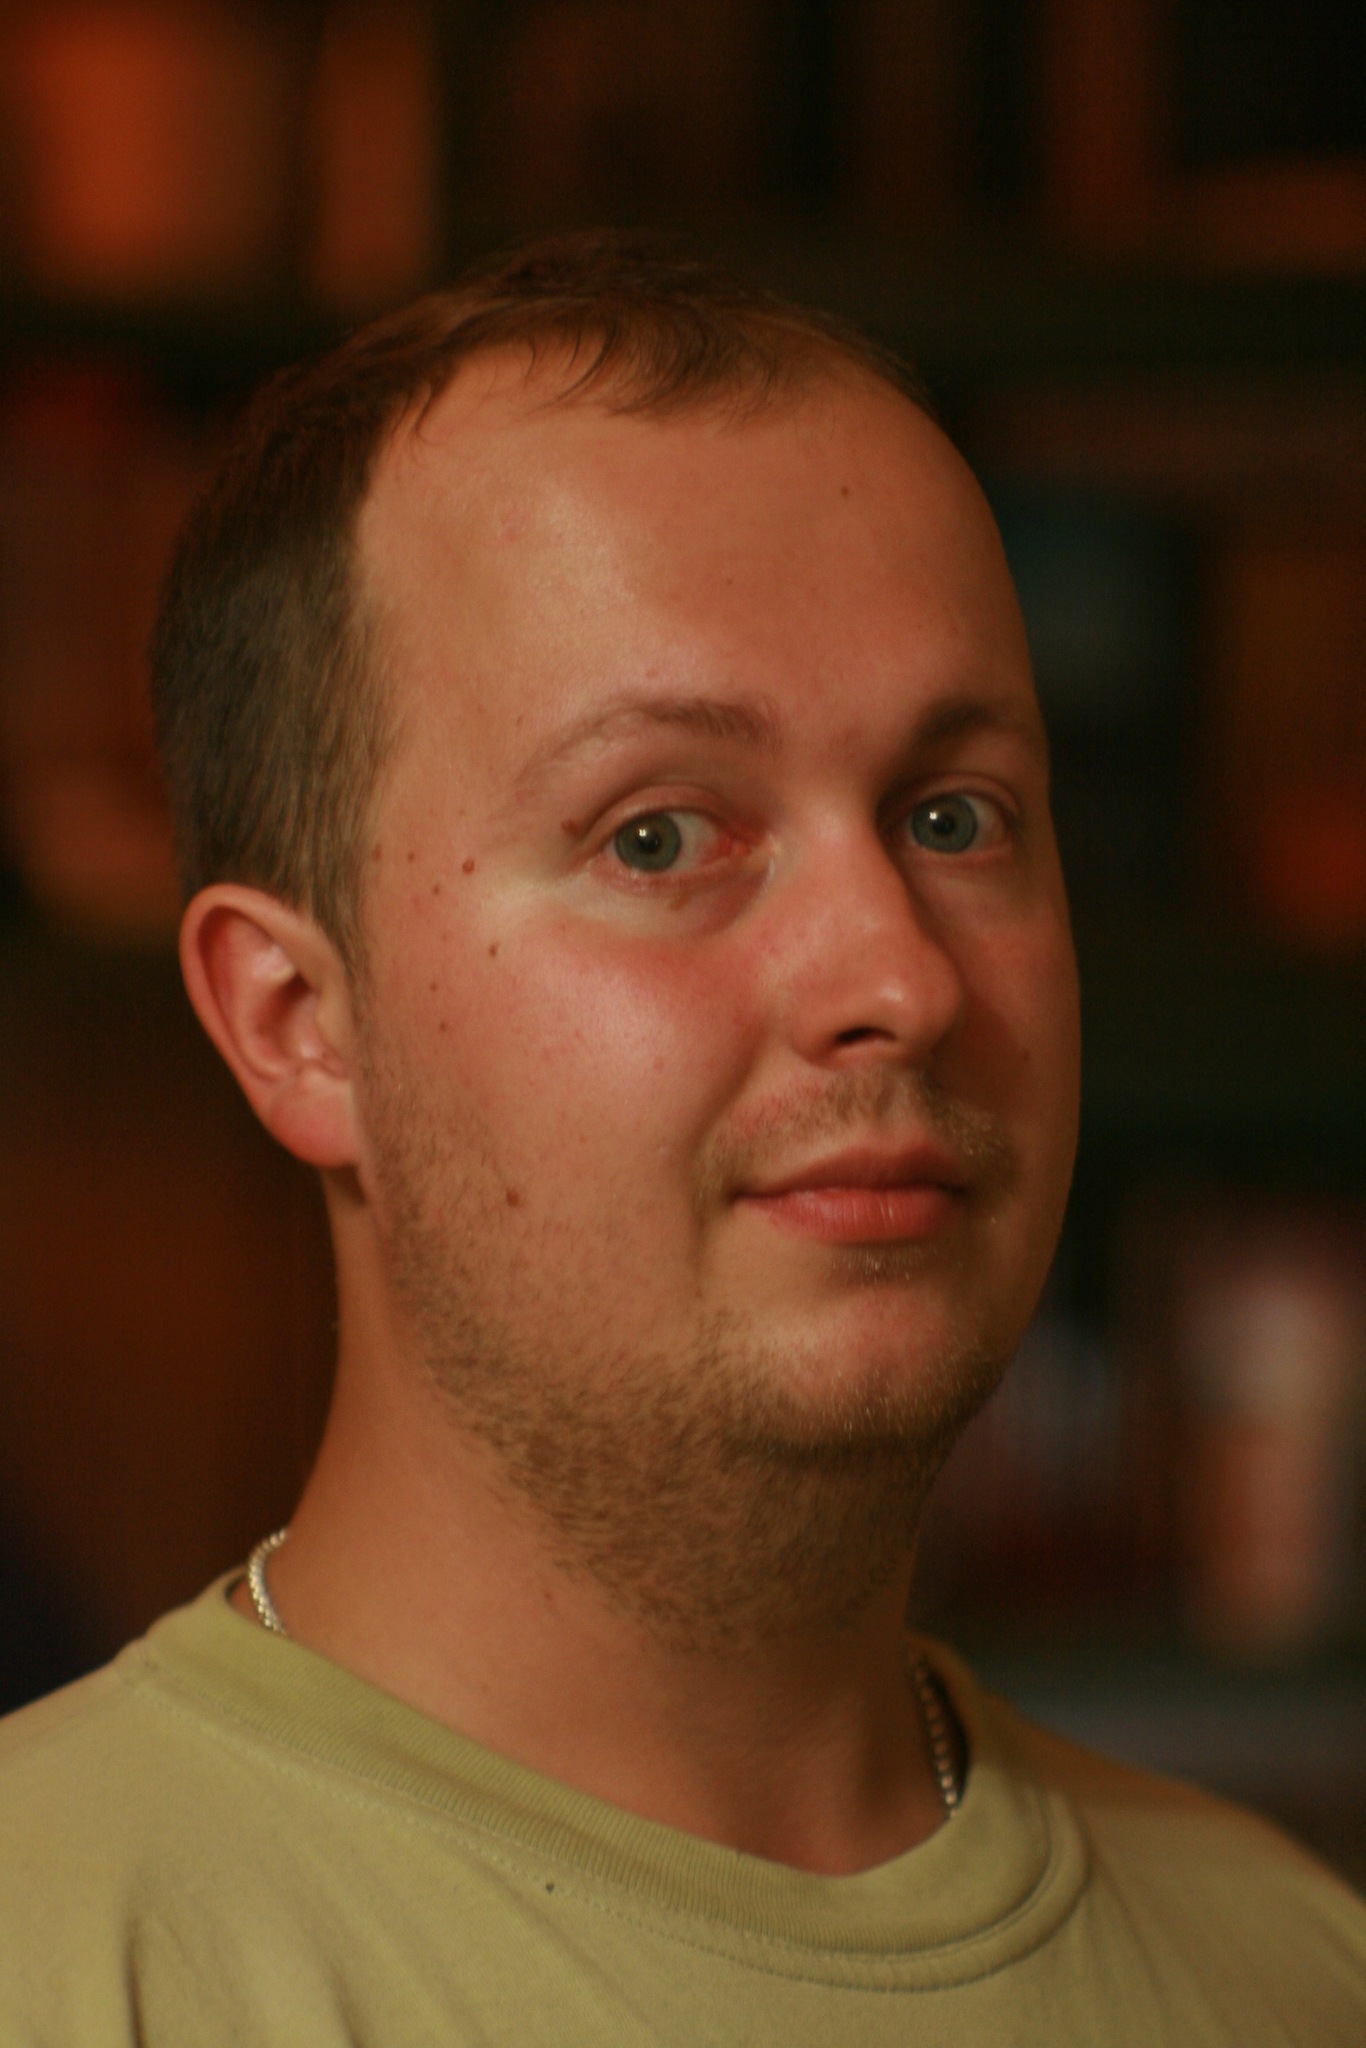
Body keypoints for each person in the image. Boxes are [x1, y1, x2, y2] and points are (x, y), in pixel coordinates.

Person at [1, 235, 1363, 2045]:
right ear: (297, 1025)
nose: (898, 976)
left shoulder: (1300, 1971)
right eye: (656, 837)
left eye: (954, 817)